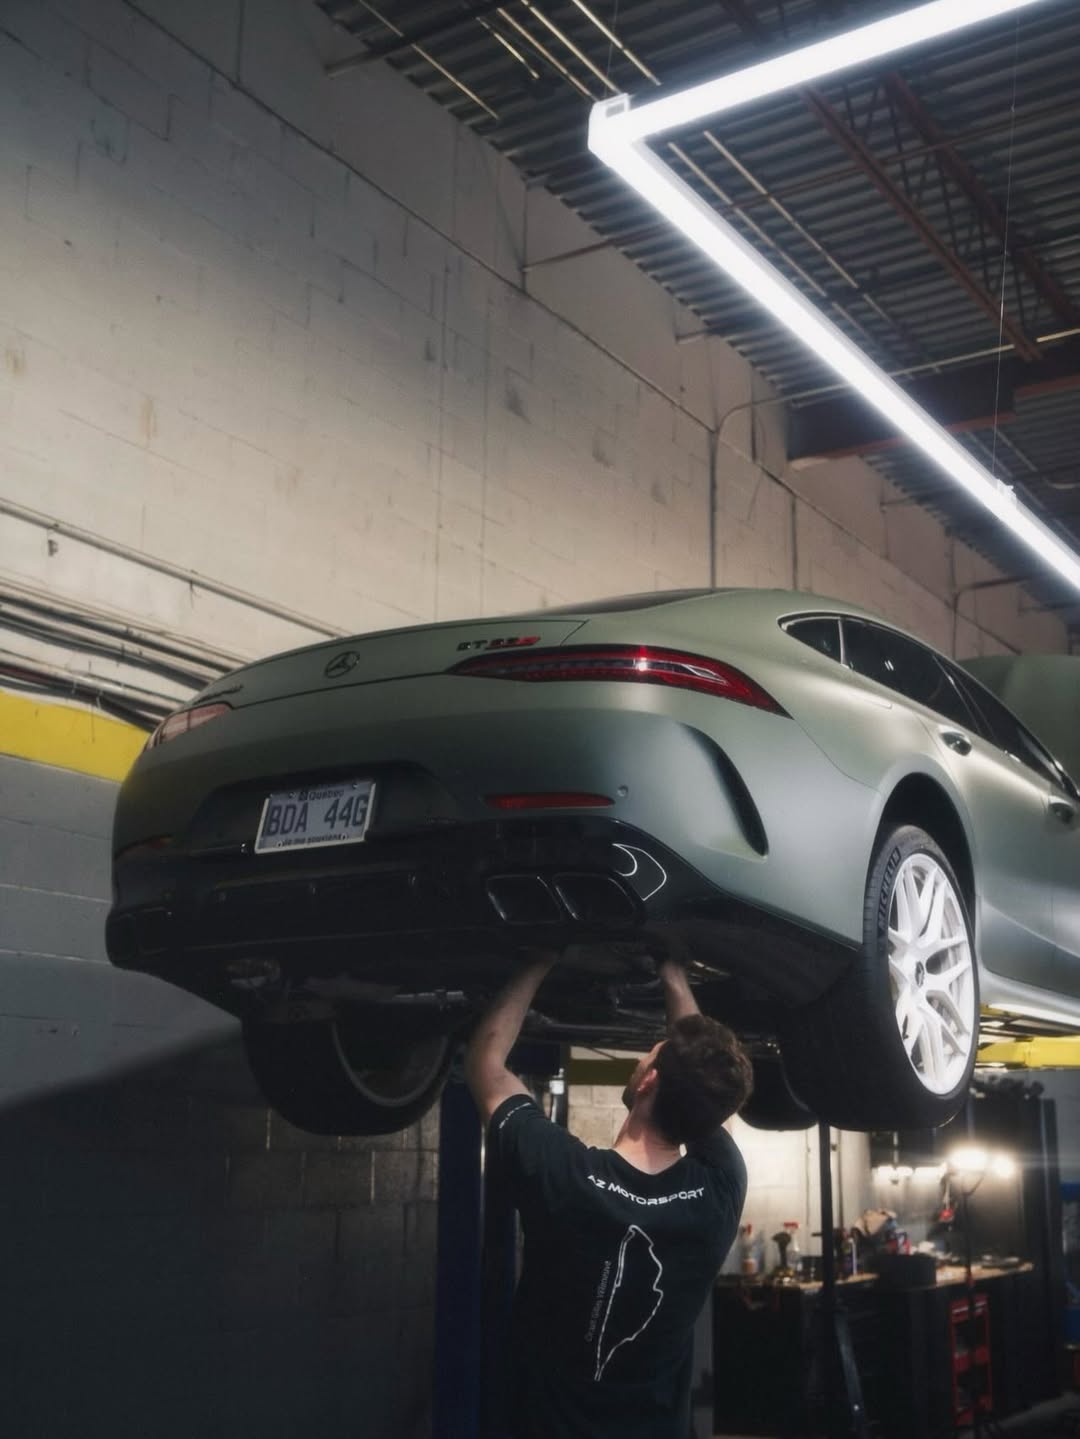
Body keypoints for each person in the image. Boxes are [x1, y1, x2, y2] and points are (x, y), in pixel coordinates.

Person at [464, 953, 752, 1439]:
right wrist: (673, 973)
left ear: (650, 1080)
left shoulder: (565, 1173)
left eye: (650, 1053)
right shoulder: (719, 1192)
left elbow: (485, 1062)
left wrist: (540, 956)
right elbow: (486, 1067)